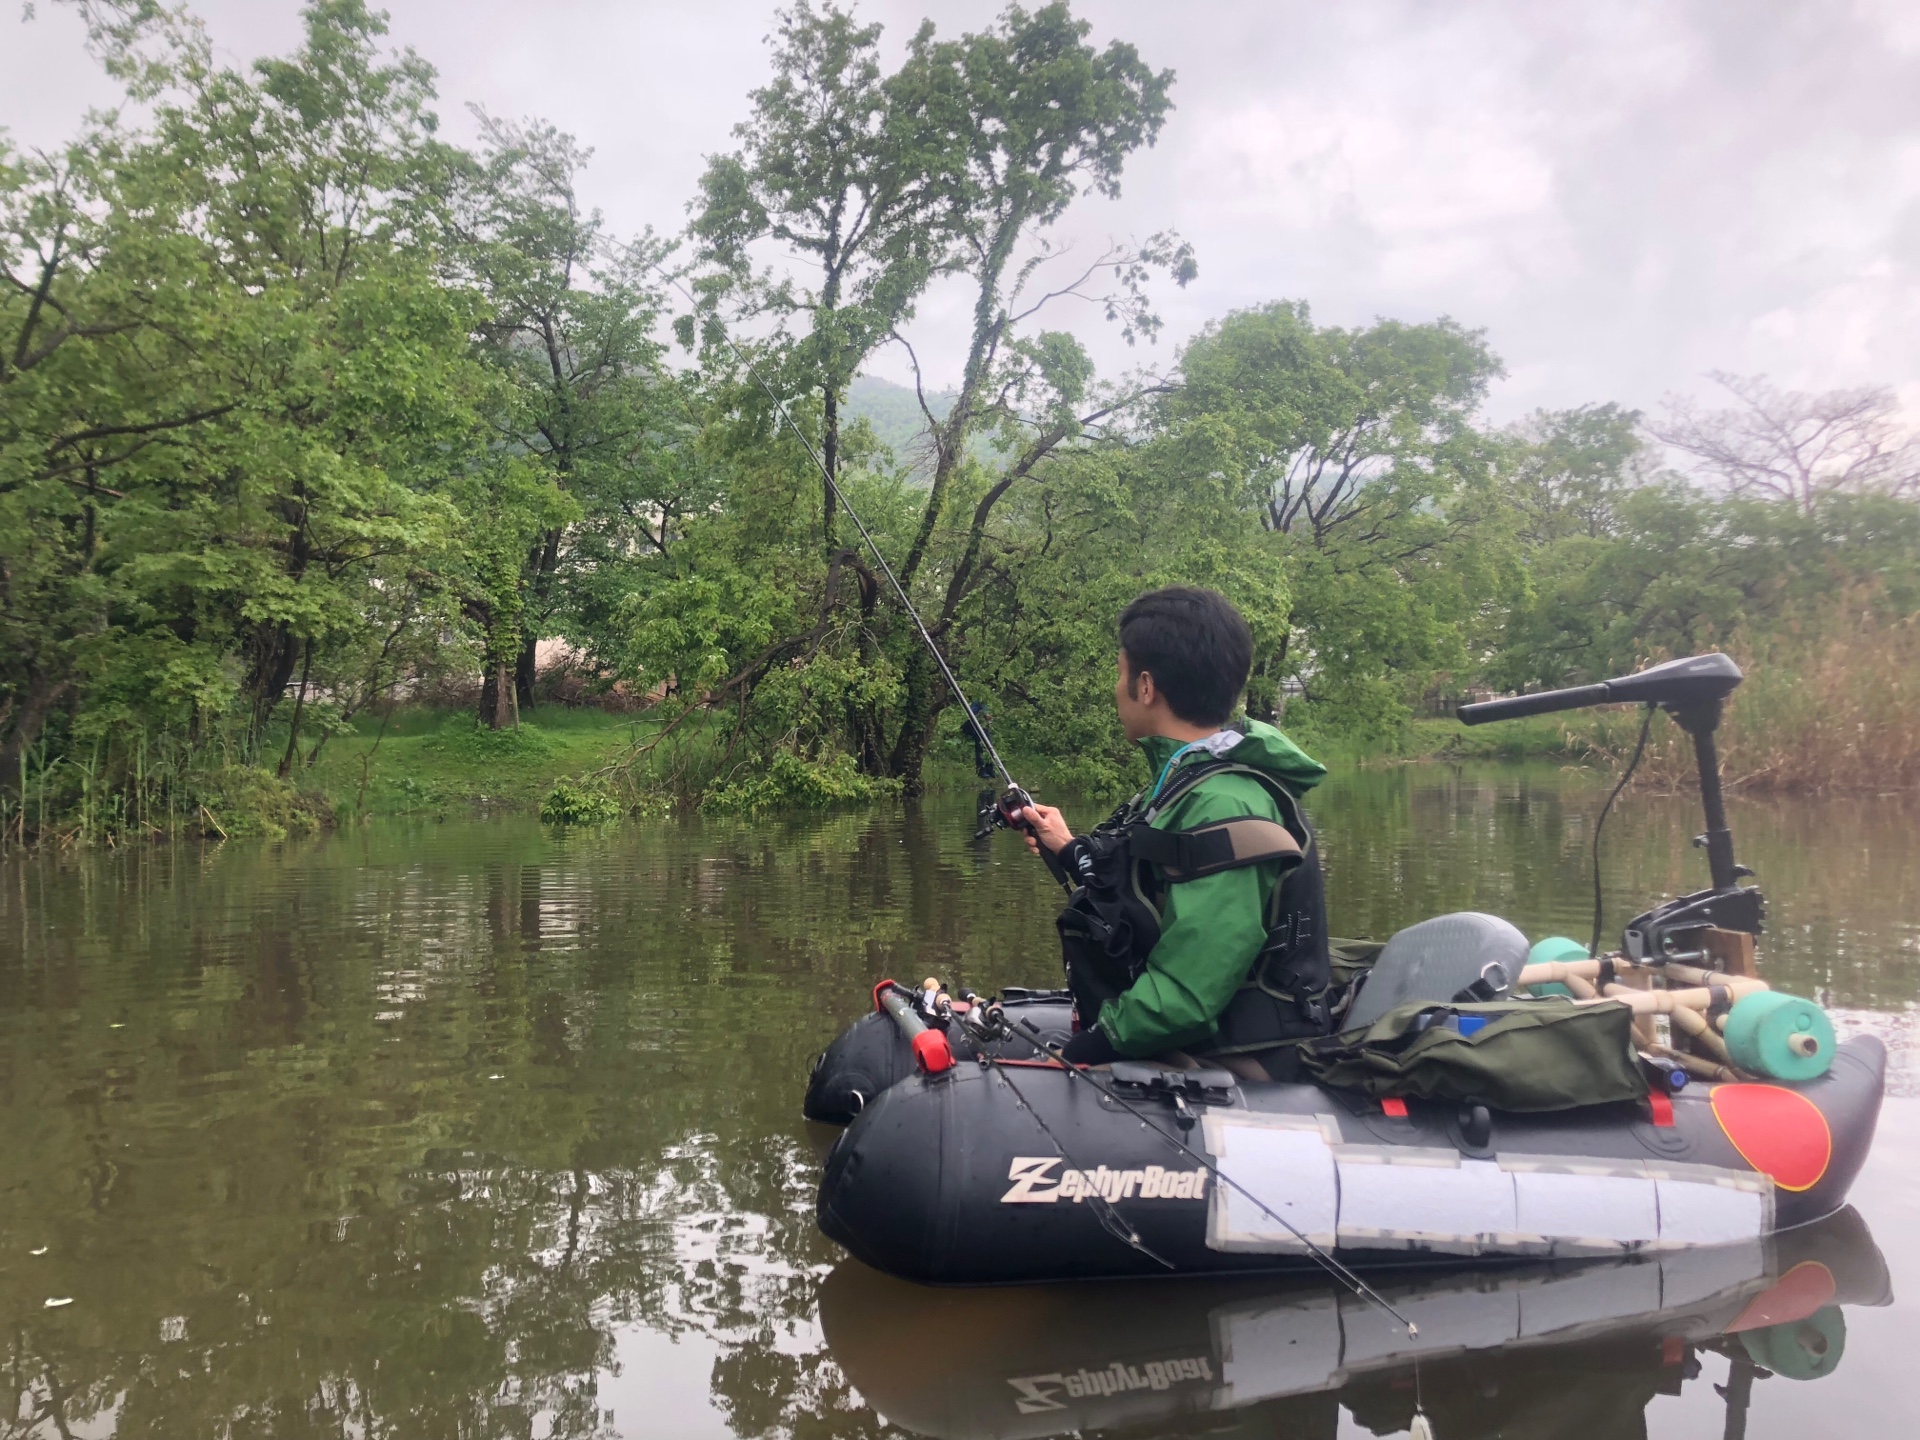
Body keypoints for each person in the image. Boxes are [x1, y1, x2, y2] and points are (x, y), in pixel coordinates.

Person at [1015, 586, 1332, 1078]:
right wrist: (1067, 847)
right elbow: (1145, 891)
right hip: (1197, 1031)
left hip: (1240, 1055)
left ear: (1146, 687)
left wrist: (1092, 1047)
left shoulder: (1225, 803)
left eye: (1120, 675)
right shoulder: (1186, 781)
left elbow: (1189, 989)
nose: (1115, 689)